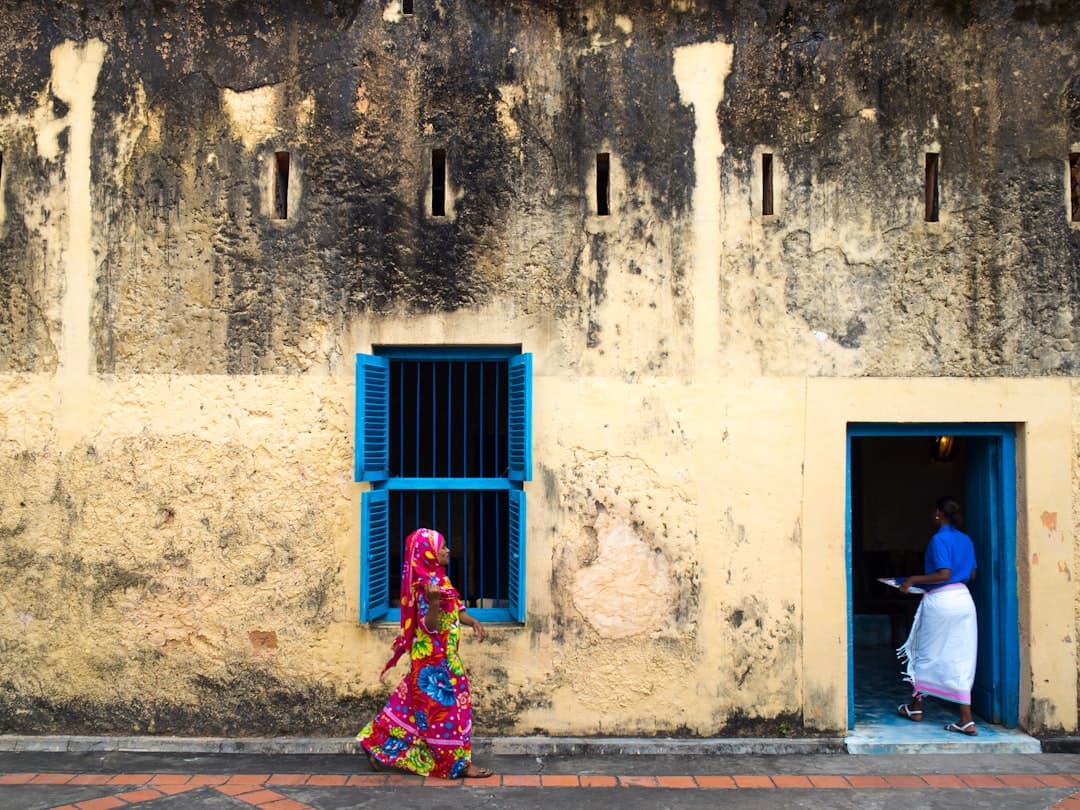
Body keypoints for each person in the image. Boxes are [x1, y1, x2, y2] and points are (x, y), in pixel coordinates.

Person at [356, 528, 493, 778]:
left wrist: (471, 620)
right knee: (451, 711)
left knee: (408, 706)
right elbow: (429, 626)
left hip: (447, 656)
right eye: (442, 547)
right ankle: (458, 764)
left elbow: (456, 611)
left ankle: (373, 742)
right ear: (428, 552)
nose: (447, 550)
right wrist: (432, 603)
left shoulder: (442, 580)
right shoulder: (423, 586)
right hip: (433, 664)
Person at [895, 496, 979, 735]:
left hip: (942, 601)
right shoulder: (966, 539)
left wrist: (912, 580)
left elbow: (943, 574)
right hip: (964, 600)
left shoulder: (938, 539)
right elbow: (971, 574)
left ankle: (916, 706)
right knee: (962, 657)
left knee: (926, 652)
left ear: (937, 514)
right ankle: (966, 719)